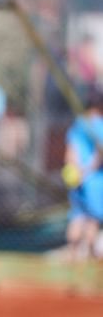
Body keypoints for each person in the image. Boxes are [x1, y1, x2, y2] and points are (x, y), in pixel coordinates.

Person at [64, 86, 103, 261]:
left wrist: (76, 171)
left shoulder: (77, 124)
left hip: (76, 180)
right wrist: (87, 172)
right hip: (94, 181)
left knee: (77, 217)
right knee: (93, 219)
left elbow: (70, 153)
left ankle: (72, 253)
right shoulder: (100, 125)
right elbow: (100, 154)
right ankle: (89, 256)